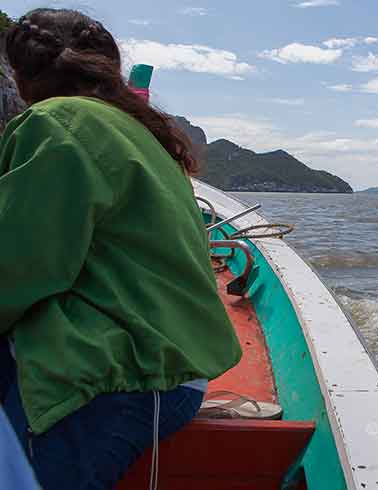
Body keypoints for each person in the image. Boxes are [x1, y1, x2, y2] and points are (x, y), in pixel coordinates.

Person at [0, 8, 242, 489]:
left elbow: (19, 270)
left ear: (21, 78)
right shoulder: (145, 137)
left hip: (117, 376)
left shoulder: (53, 123)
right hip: (176, 373)